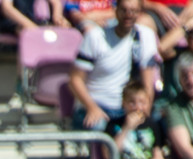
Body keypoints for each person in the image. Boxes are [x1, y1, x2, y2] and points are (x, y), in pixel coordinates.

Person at [68, 0, 159, 132]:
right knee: (99, 126)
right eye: (124, 10)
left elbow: (147, 83)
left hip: (129, 107)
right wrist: (92, 108)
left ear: (139, 13)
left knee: (156, 125)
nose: (128, 15)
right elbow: (74, 79)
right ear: (115, 10)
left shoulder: (146, 36)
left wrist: (145, 114)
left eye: (133, 11)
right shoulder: (96, 37)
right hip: (97, 104)